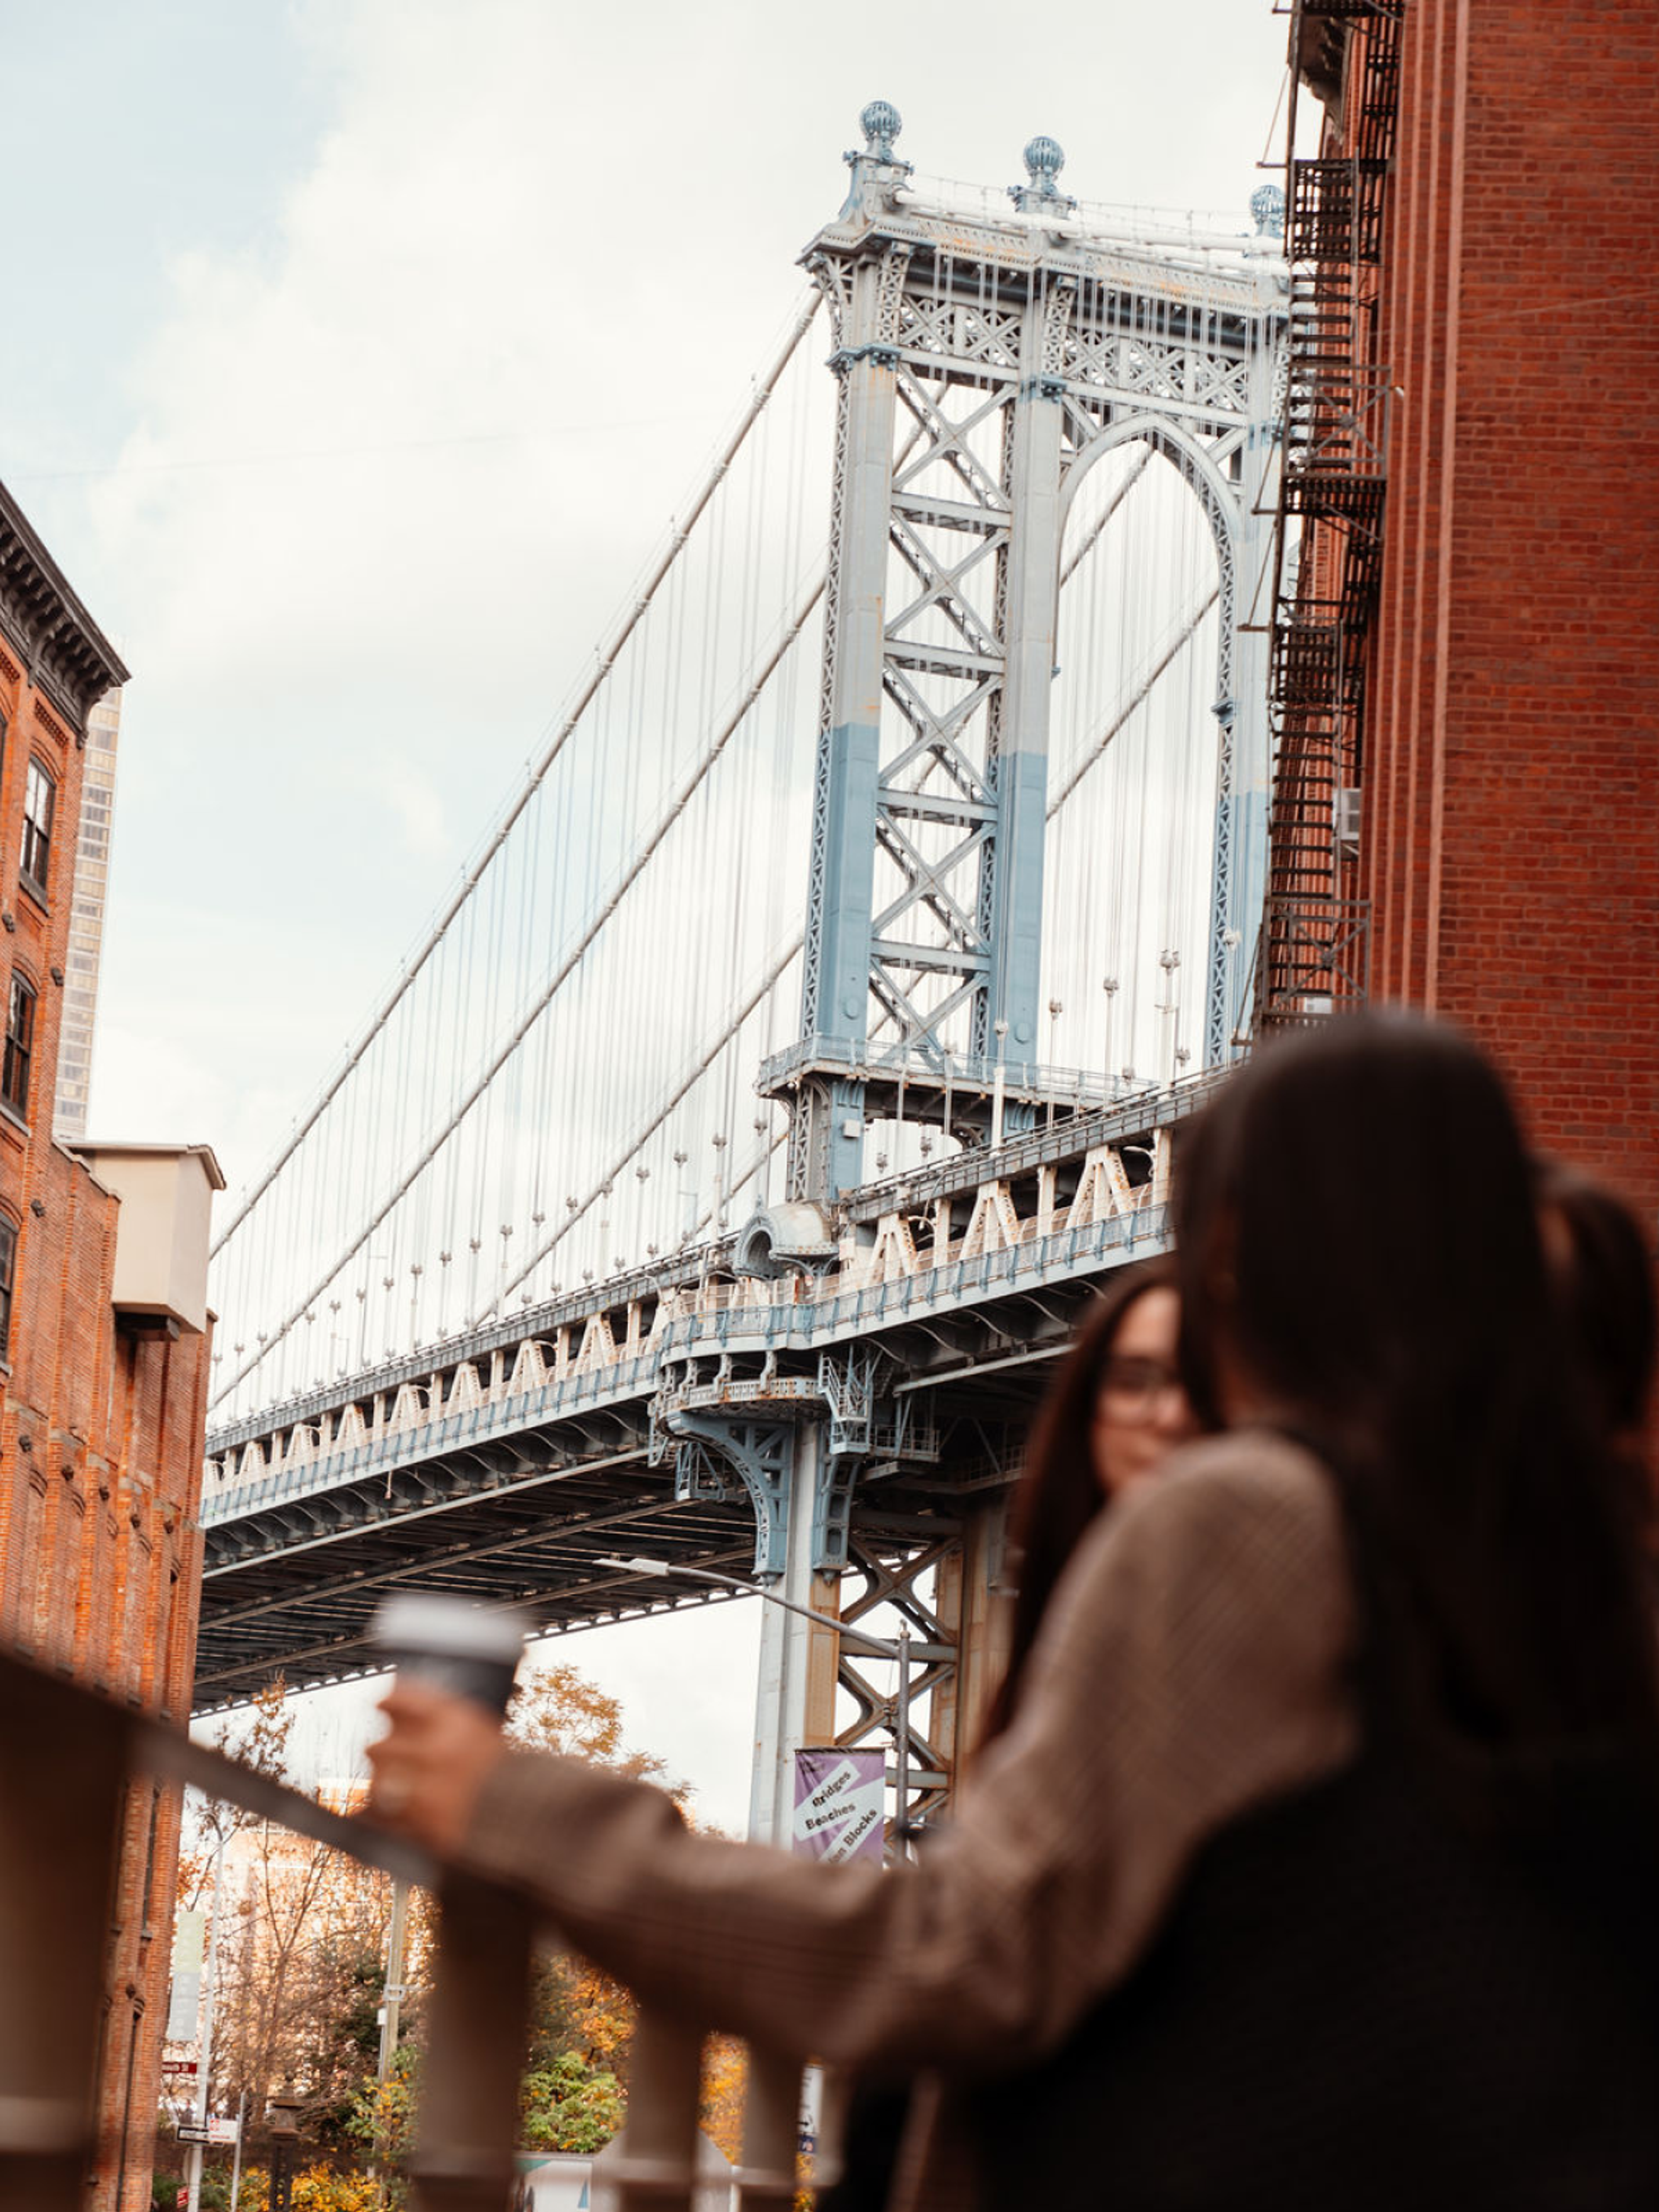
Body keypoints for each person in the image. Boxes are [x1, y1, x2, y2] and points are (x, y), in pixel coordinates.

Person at [370, 1015, 1659, 2209]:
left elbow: (963, 1958)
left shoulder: (1252, 1520)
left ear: (1231, 1248)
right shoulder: (1572, 1559)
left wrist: (521, 1807)